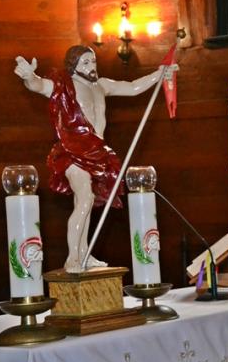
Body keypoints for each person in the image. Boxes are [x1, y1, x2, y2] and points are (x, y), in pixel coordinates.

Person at [14, 46, 164, 273]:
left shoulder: (101, 85)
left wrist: (159, 74)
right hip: (72, 152)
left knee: (84, 202)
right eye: (85, 62)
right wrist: (29, 77)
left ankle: (84, 253)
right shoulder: (65, 85)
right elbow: (40, 85)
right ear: (73, 65)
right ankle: (72, 258)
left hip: (95, 152)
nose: (91, 66)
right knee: (85, 199)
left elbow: (132, 87)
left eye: (92, 61)